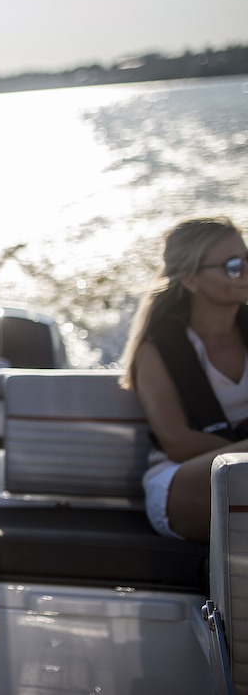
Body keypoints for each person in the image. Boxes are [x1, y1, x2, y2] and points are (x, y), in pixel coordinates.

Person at [119, 217, 248, 542]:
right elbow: (177, 442)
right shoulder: (157, 350)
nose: (246, 271)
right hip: (183, 478)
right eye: (234, 266)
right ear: (191, 279)